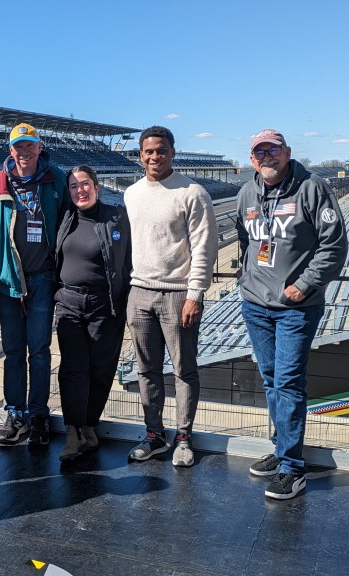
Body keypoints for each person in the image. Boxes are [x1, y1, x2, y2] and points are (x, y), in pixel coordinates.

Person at [236, 129, 348, 500]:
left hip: (295, 308)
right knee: (271, 380)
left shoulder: (311, 187)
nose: (265, 157)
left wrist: (304, 284)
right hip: (255, 304)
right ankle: (281, 447)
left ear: (286, 152)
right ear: (252, 159)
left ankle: (292, 467)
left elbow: (334, 245)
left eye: (272, 150)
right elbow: (245, 239)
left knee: (287, 382)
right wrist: (245, 279)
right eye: (258, 152)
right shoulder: (247, 193)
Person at [123, 126, 217, 468]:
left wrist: (195, 295)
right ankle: (154, 435)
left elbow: (204, 249)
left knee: (184, 371)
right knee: (146, 370)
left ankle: (183, 438)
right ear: (140, 155)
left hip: (178, 296)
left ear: (172, 152)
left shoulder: (192, 192)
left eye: (161, 150)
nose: (154, 157)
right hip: (140, 293)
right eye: (148, 151)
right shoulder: (131, 193)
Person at [0, 122, 67, 447]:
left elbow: (67, 221)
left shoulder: (55, 178)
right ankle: (15, 414)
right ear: (10, 150)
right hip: (8, 282)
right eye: (19, 146)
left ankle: (38, 415)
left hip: (43, 277)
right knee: (13, 352)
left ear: (40, 147)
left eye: (30, 145)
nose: (25, 152)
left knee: (40, 352)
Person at [54, 166, 131, 461]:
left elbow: (128, 260)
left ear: (97, 187)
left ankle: (89, 425)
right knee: (74, 370)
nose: (79, 191)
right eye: (73, 186)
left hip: (105, 304)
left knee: (101, 369)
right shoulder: (65, 217)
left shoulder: (116, 216)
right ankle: (73, 431)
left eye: (84, 184)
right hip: (69, 302)